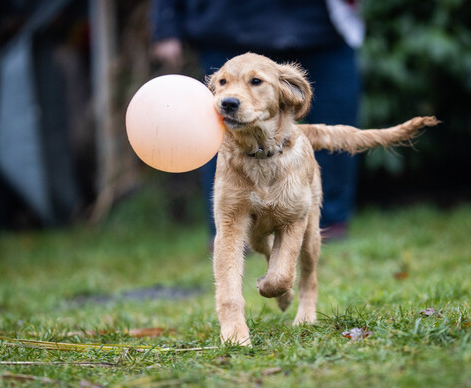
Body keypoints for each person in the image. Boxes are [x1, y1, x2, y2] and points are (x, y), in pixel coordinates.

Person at [150, 0, 363, 241]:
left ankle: (329, 224)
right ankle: (232, 230)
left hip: (320, 27)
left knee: (334, 123)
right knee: (223, 134)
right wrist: (166, 25)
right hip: (228, 28)